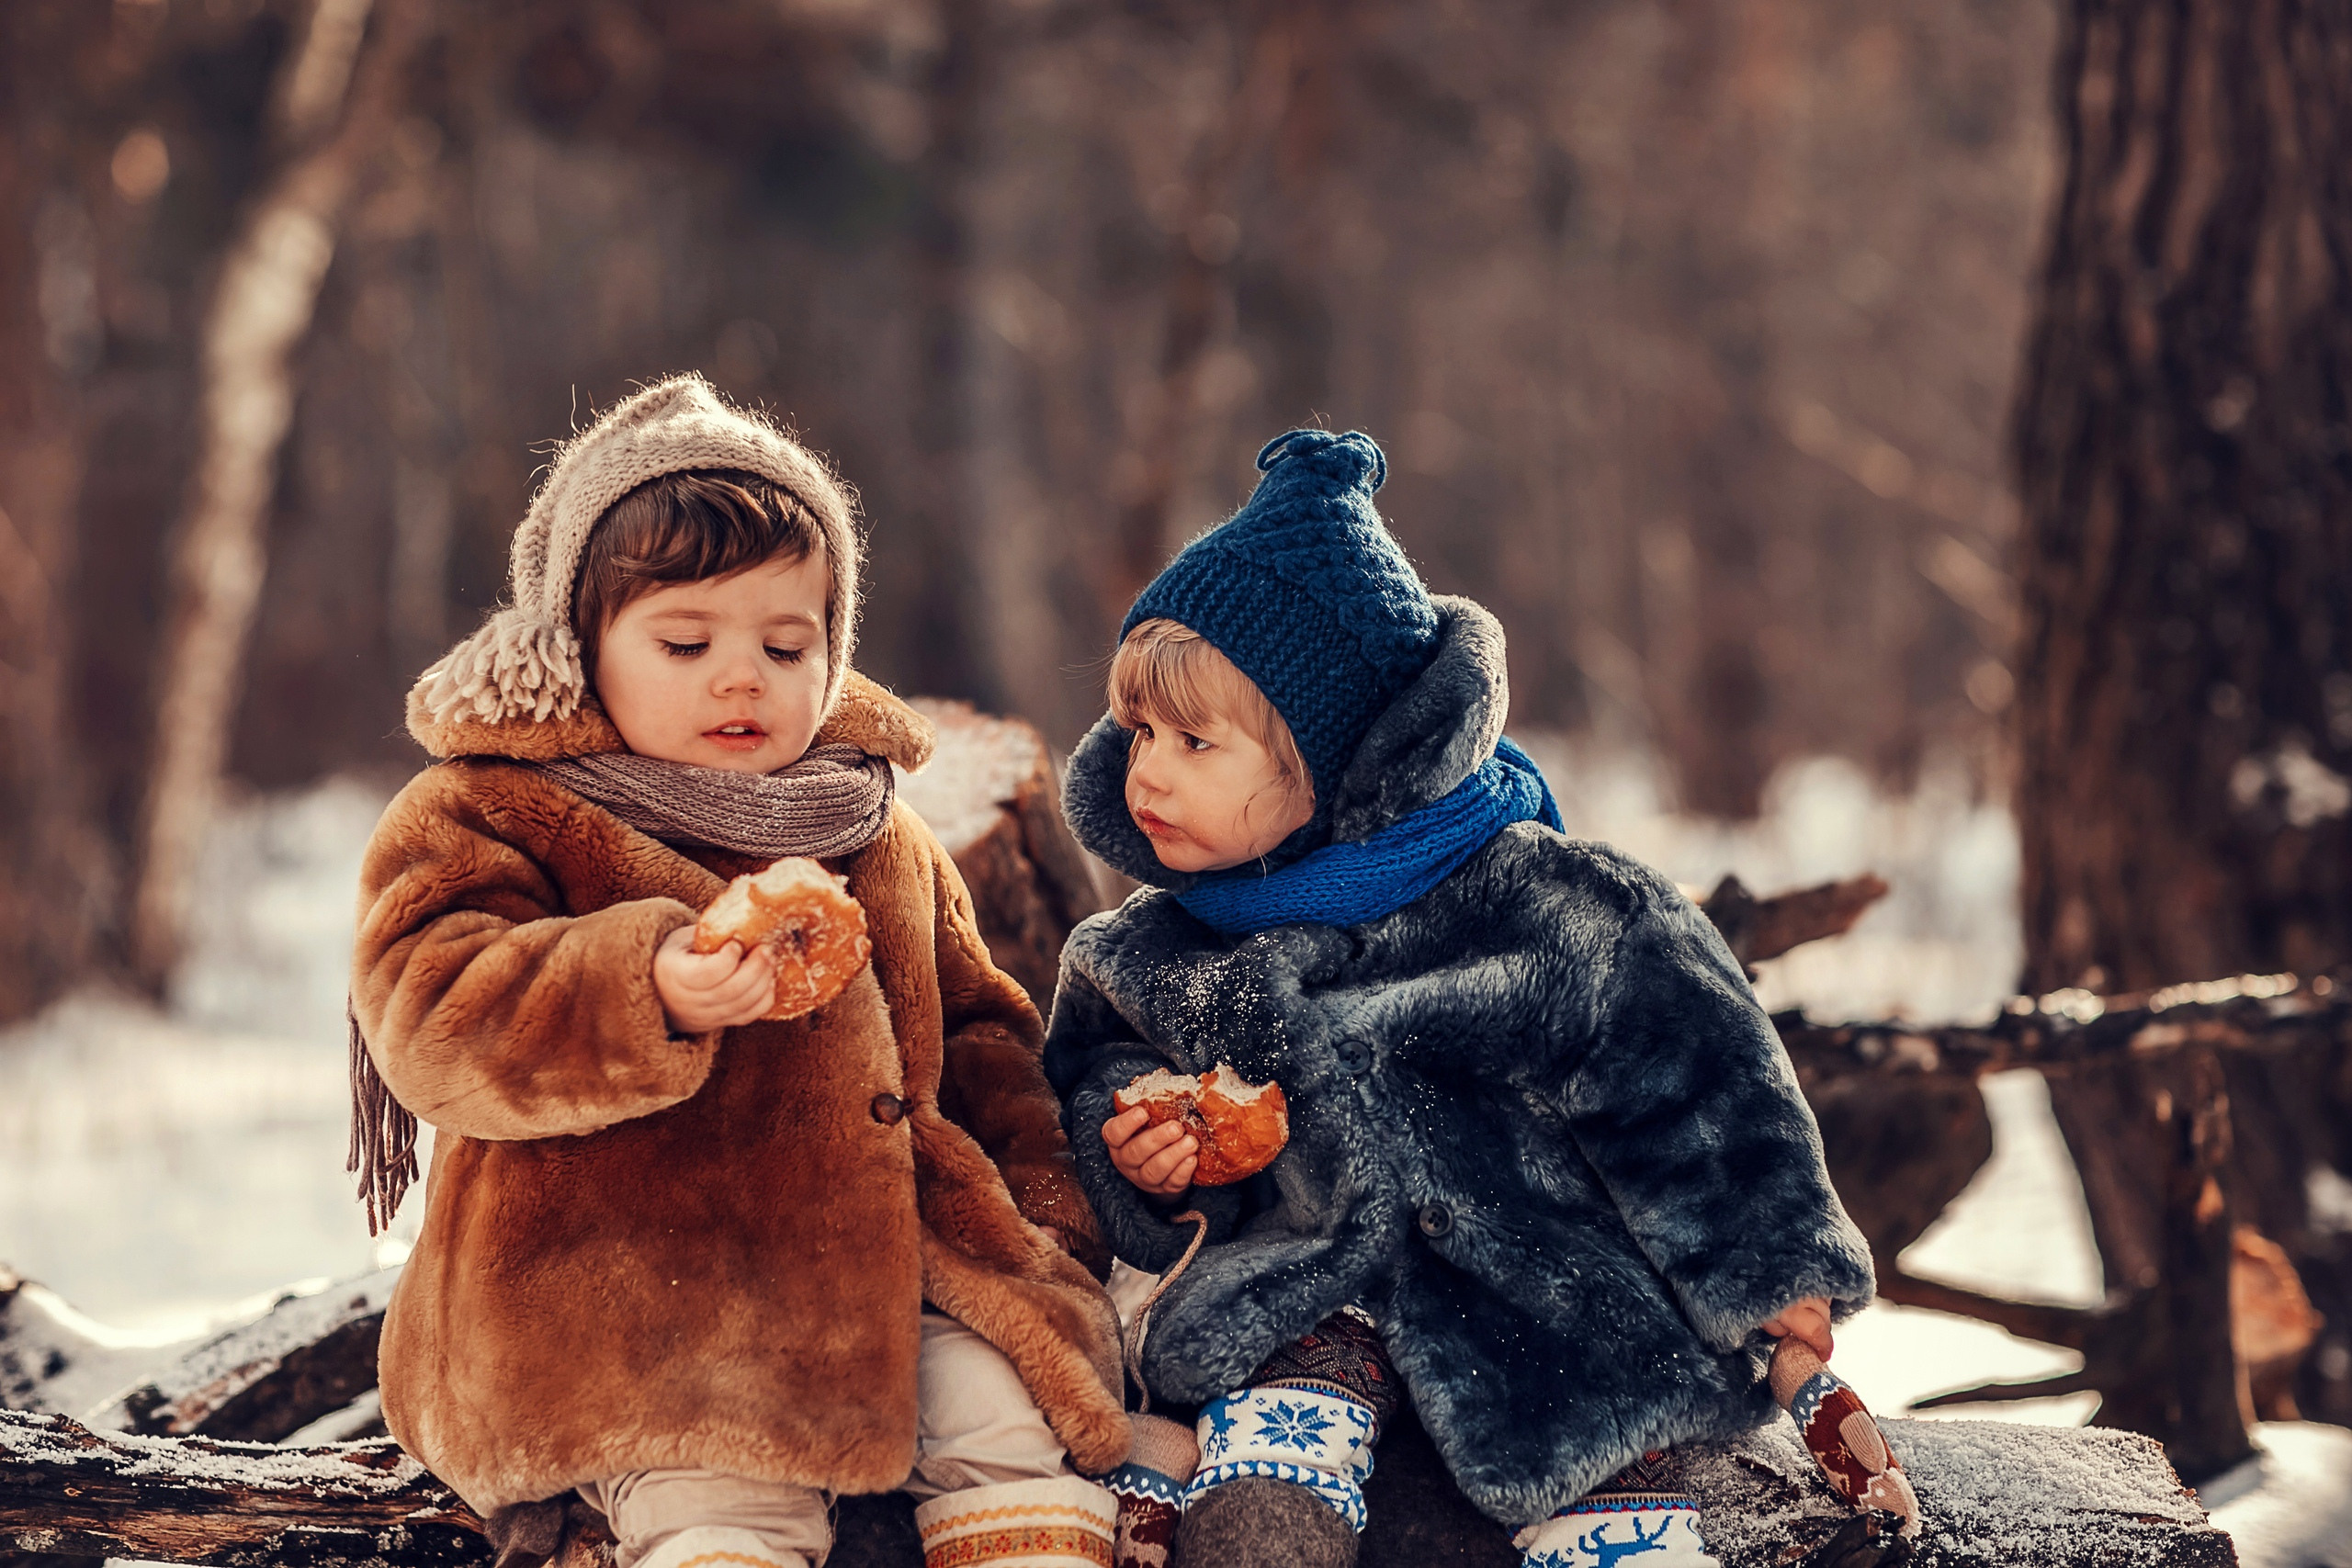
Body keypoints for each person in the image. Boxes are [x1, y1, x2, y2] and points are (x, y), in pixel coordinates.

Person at [1043, 429, 1876, 1568]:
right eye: (1139, 730)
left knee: (1618, 1528)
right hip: (1296, 1305)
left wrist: (1772, 1277)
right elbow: (1090, 1071)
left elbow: (1698, 1083)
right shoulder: (1157, 950)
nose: (1147, 770)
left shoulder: (1553, 908)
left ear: (1334, 762)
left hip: (1551, 1309)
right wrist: (1133, 1142)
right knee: (1258, 1515)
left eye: (1196, 740)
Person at [348, 375, 1129, 1568]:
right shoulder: (498, 807)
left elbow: (981, 1035)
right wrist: (639, 984)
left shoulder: (873, 826)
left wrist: (1049, 1213)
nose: (740, 676)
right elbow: (430, 1007)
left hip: (882, 1279)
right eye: (685, 641)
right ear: (580, 645)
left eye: (785, 642)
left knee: (1000, 1418)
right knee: (722, 1495)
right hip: (632, 1298)